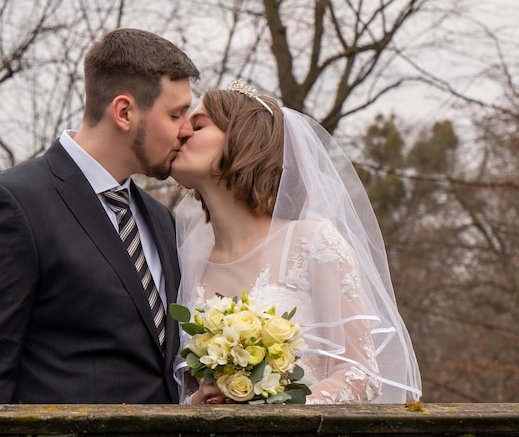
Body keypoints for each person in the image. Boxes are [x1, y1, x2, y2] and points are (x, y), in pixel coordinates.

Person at [0, 28, 200, 404]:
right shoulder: (12, 205)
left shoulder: (161, 219)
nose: (187, 129)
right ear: (124, 112)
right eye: (176, 114)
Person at [170, 80, 422, 404]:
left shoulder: (312, 242)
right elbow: (187, 392)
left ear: (243, 139)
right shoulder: (184, 262)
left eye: (199, 124)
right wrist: (201, 401)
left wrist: (273, 410)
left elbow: (361, 376)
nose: (182, 133)